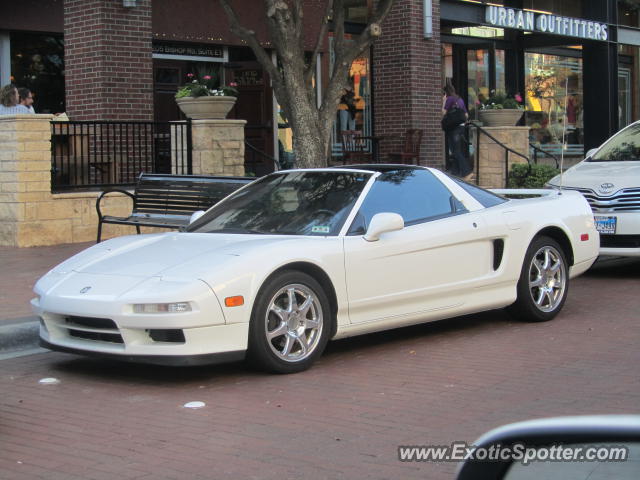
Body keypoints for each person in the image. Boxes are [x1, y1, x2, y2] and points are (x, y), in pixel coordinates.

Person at [442, 84, 472, 180]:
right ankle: (454, 174)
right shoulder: (460, 99)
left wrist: (444, 101)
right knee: (455, 151)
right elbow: (466, 115)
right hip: (461, 128)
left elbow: (443, 112)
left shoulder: (450, 99)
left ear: (446, 92)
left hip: (453, 129)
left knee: (455, 151)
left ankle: (467, 172)